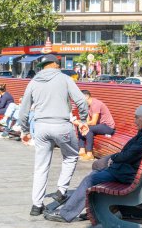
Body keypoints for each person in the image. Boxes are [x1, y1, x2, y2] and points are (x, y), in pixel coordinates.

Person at [44, 105, 142, 223]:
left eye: (136, 118)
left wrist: (113, 158)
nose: (135, 121)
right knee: (96, 171)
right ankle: (94, 209)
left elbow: (128, 155)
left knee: (90, 180)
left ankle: (66, 214)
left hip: (127, 174)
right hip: (129, 170)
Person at [18, 54, 89, 216]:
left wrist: (25, 130)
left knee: (41, 165)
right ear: (56, 65)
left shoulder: (33, 81)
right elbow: (81, 101)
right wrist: (83, 120)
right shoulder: (64, 79)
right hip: (61, 125)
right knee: (71, 155)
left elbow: (23, 110)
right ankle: (61, 191)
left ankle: (36, 205)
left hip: (41, 127)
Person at [74, 90, 115, 161]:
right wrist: (80, 123)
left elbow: (93, 122)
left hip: (108, 127)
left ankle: (90, 154)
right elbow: (87, 121)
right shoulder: (86, 105)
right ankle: (82, 151)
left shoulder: (95, 104)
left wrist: (82, 123)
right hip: (99, 126)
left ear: (86, 97)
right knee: (81, 126)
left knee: (89, 129)